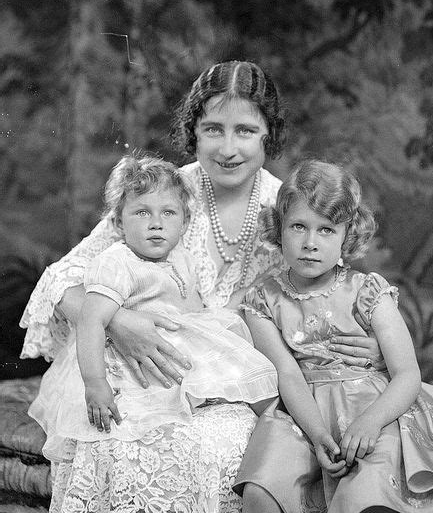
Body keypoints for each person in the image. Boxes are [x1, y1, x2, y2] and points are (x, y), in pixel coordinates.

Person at [20, 61, 383, 513]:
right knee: (125, 443)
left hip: (229, 381)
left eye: (246, 131)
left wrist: (368, 343)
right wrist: (119, 319)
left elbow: (327, 297)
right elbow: (60, 280)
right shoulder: (165, 194)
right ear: (193, 131)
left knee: (223, 445)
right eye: (213, 129)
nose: (228, 149)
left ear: (269, 134)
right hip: (133, 373)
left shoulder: (289, 209)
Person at [235, 160, 433, 513]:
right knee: (262, 490)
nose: (310, 243)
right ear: (280, 229)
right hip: (301, 415)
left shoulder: (367, 291)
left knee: (369, 495)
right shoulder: (262, 300)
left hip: (370, 409)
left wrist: (370, 423)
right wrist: (317, 436)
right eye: (298, 226)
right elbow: (288, 374)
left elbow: (407, 373)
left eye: (327, 230)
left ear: (348, 235)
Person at [38, 154, 278, 463]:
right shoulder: (118, 262)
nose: (156, 224)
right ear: (118, 222)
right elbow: (90, 321)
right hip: (134, 360)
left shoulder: (181, 257)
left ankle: (279, 428)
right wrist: (95, 384)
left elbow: (194, 311)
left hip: (176, 343)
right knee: (161, 411)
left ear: (185, 221)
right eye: (141, 212)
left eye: (168, 213)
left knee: (254, 375)